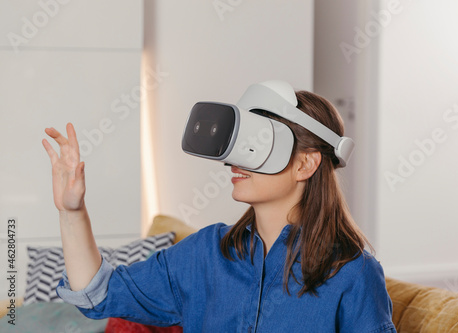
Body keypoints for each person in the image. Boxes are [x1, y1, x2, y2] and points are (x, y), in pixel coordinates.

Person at [42, 88, 396, 332]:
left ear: (306, 165)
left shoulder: (353, 273)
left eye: (258, 144)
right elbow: (97, 295)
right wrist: (71, 211)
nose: (235, 161)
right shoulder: (205, 254)